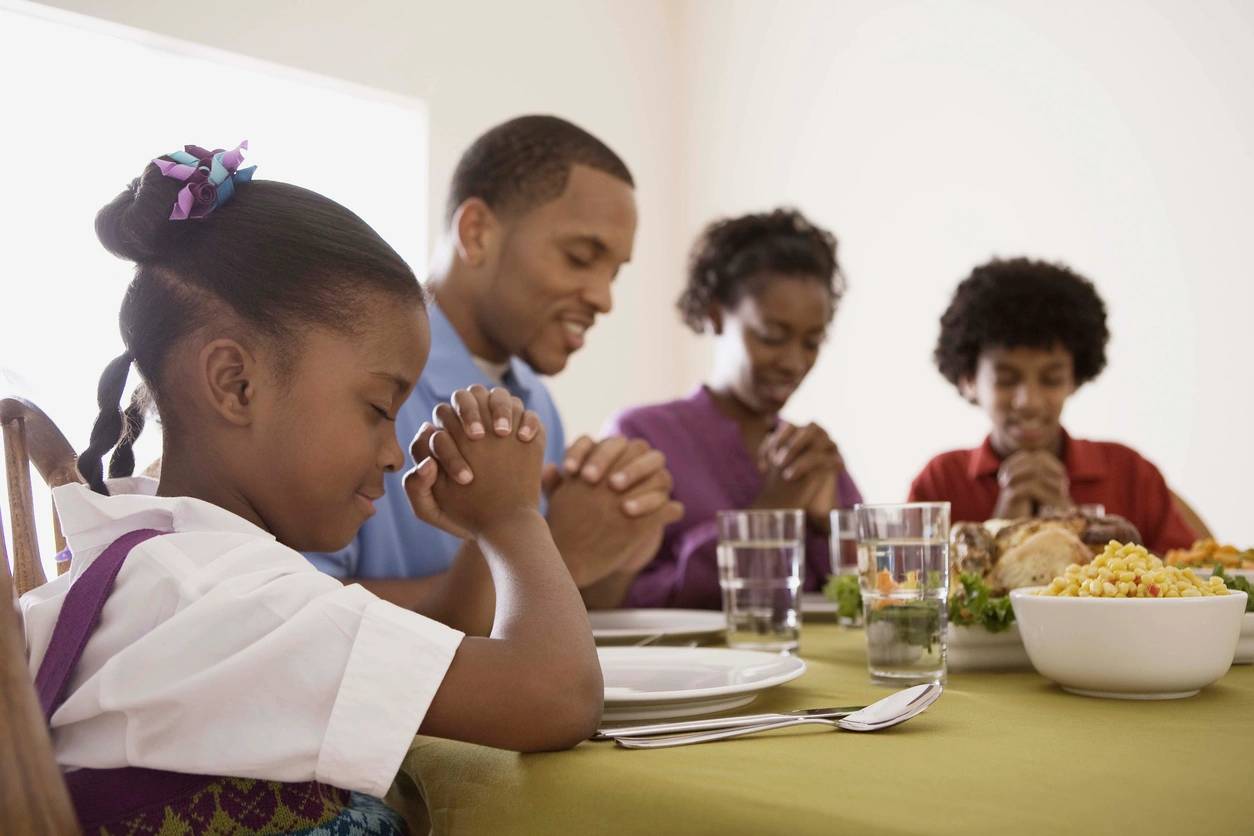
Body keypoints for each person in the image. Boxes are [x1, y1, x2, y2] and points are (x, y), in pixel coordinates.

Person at [19, 142, 601, 834]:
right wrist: (512, 519)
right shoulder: (232, 603)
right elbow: (555, 696)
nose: (393, 452)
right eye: (379, 408)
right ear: (236, 384)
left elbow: (428, 645)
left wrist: (485, 533)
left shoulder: (164, 567)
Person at [306, 115, 682, 618]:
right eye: (579, 257)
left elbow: (554, 616)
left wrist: (617, 547)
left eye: (614, 272)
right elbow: (297, 618)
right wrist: (551, 554)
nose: (603, 297)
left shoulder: (533, 398)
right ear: (478, 232)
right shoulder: (352, 375)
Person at [605, 208, 862, 609]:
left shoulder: (810, 454)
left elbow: (867, 594)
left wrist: (828, 525)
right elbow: (624, 600)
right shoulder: (643, 437)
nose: (794, 362)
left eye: (812, 342)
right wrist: (771, 511)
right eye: (772, 336)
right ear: (715, 315)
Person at [908, 256, 1197, 555]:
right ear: (969, 380)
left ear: (1075, 377)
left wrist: (1073, 530)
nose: (1029, 402)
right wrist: (1001, 533)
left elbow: (1191, 579)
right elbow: (906, 589)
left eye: (1051, 379)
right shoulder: (940, 484)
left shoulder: (1131, 474)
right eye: (1006, 380)